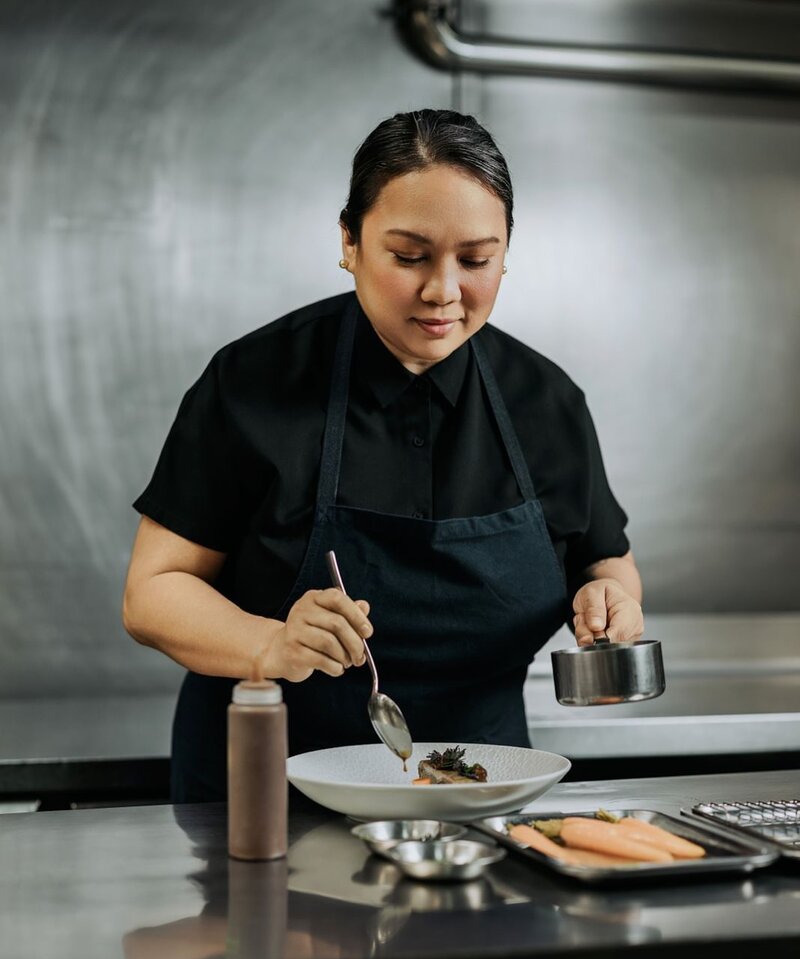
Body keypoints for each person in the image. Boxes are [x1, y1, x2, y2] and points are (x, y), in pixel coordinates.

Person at [123, 109, 644, 803]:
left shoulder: (547, 403)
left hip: (478, 802)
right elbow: (152, 592)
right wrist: (269, 644)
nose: (444, 291)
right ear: (349, 241)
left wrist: (611, 599)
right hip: (263, 802)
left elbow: (604, 562)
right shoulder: (253, 382)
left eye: (477, 259)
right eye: (409, 256)